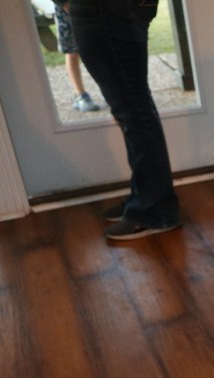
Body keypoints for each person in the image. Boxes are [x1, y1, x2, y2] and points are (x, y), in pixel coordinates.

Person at [54, 0, 181, 240]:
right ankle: (146, 199)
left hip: (106, 8)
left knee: (133, 109)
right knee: (132, 107)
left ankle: (155, 210)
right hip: (107, 8)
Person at [53, 4, 101, 113]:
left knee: (102, 47)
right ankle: (80, 94)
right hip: (67, 9)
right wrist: (64, 3)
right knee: (72, 51)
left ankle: (111, 91)